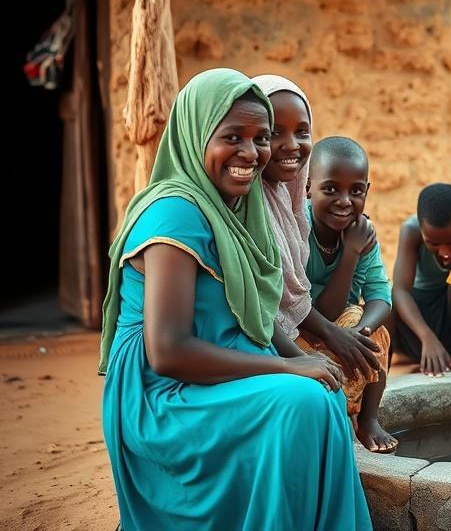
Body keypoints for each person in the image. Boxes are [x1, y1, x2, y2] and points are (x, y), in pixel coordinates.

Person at [100, 68, 370, 529]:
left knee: (321, 396)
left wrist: (304, 361)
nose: (251, 153)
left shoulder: (236, 208)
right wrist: (287, 365)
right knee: (299, 402)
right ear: (197, 133)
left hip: (217, 368)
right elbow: (167, 352)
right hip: (162, 394)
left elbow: (257, 319)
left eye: (259, 138)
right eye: (233, 137)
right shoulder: (174, 213)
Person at [302, 135, 397, 453]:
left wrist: (361, 332)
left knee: (376, 327)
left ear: (367, 191)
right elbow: (323, 312)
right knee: (348, 318)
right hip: (297, 329)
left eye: (356, 191)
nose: (344, 200)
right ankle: (335, 415)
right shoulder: (297, 228)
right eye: (330, 189)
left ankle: (367, 419)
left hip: (339, 328)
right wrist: (350, 254)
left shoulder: (363, 232)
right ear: (307, 187)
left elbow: (381, 296)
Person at [391, 183, 451, 375]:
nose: (445, 253)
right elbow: (401, 290)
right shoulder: (410, 231)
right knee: (384, 296)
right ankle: (383, 370)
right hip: (423, 318)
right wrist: (427, 338)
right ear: (421, 230)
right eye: (433, 243)